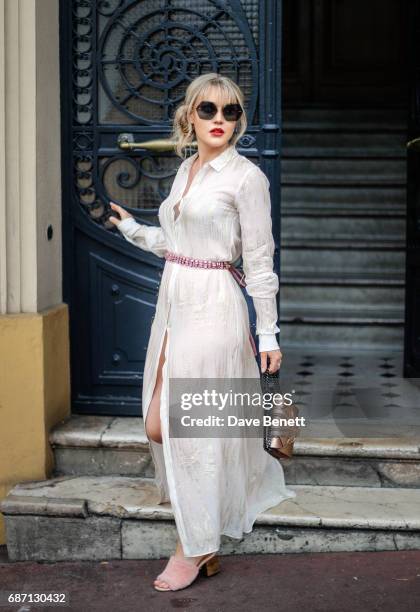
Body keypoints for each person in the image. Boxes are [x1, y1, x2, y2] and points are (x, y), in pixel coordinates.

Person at [109, 72, 296, 592]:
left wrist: (269, 334)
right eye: (209, 110)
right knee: (157, 425)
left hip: (215, 307)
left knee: (192, 432)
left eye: (231, 111)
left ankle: (193, 547)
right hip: (174, 303)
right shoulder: (187, 168)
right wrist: (130, 228)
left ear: (239, 120)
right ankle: (202, 538)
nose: (220, 120)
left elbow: (259, 261)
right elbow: (175, 243)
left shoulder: (246, 177)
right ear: (190, 115)